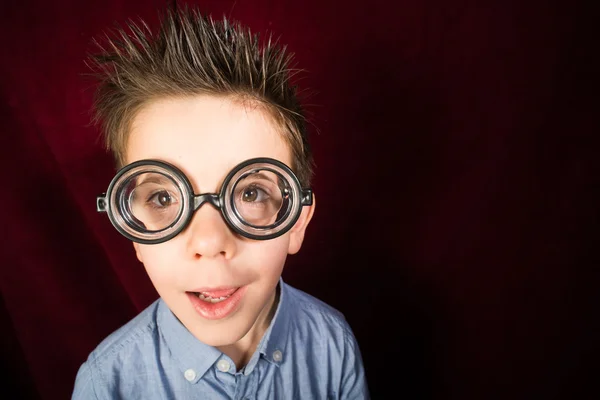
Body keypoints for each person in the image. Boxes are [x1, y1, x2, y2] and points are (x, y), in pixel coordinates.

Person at [72, 5, 369, 399]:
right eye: (162, 197)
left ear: (296, 221)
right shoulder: (106, 384)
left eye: (250, 193)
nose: (210, 242)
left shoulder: (333, 344)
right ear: (135, 232)